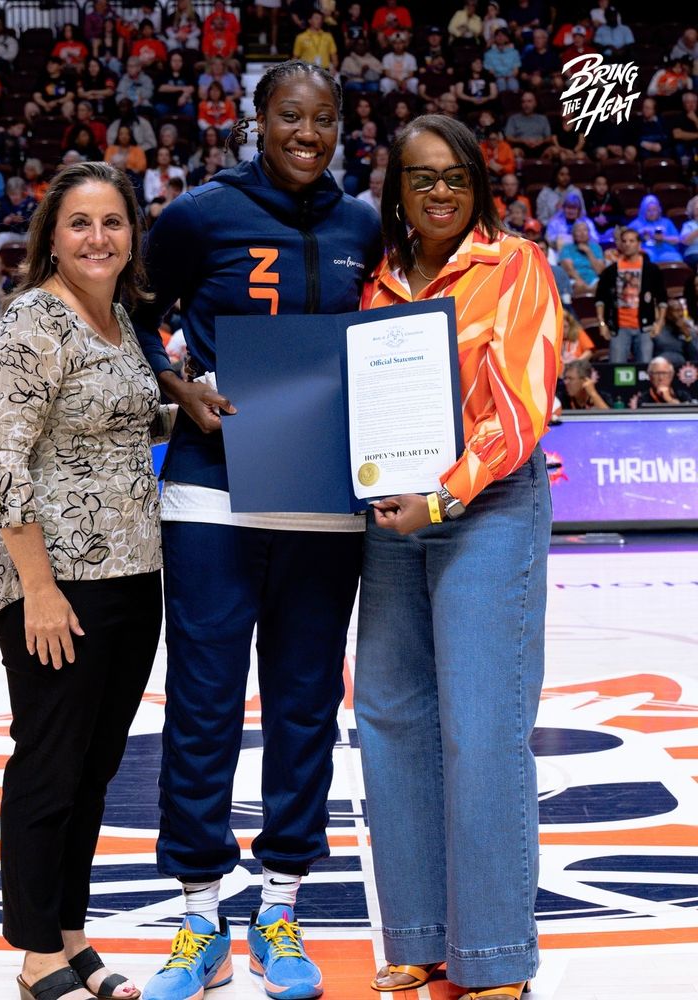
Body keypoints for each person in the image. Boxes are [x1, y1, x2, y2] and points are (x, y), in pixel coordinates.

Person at [133, 59, 382, 1000]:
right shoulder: (199, 214)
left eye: (322, 118)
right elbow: (135, 312)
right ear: (259, 120)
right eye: (290, 116)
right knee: (202, 703)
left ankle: (280, 905)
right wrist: (176, 386)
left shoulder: (364, 222)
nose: (306, 134)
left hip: (321, 494)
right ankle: (200, 917)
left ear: (339, 126)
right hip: (211, 492)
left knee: (306, 705)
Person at [354, 113, 561, 1000]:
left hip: (485, 507)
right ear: (394, 191)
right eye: (419, 178)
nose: (438, 192)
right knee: (392, 719)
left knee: (481, 729)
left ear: (478, 183)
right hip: (392, 513)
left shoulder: (515, 263)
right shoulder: (378, 283)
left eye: (454, 177)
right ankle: (419, 935)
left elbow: (521, 406)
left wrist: (442, 493)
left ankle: (495, 956)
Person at [0, 161, 168, 1000]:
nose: (98, 238)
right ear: (52, 233)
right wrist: (40, 588)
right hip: (56, 583)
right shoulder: (32, 321)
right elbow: (3, 457)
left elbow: (116, 416)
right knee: (49, 763)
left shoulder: (119, 316)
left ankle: (72, 934)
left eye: (113, 222)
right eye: (80, 223)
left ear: (132, 234)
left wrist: (181, 398)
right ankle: (35, 953)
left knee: (95, 766)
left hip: (133, 572)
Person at [595, 228, 667, 363]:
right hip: (619, 327)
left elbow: (662, 298)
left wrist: (660, 322)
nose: (627, 244)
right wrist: (602, 323)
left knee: (645, 369)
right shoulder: (610, 271)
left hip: (645, 327)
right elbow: (600, 299)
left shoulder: (651, 270)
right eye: (624, 241)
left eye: (631, 241)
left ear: (639, 244)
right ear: (620, 244)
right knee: (616, 371)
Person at [558, 220, 605, 293]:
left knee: (602, 285)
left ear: (589, 233)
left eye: (585, 230)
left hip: (594, 279)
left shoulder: (596, 247)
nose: (582, 233)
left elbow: (599, 271)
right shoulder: (567, 248)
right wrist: (581, 282)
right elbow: (569, 270)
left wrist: (589, 252)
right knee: (578, 286)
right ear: (573, 234)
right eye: (578, 231)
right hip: (575, 280)